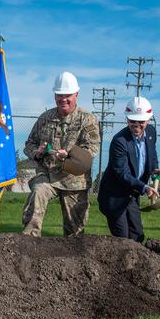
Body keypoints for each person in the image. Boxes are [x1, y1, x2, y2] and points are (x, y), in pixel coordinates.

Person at [22, 71, 100, 237]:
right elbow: (29, 143)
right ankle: (28, 241)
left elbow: (92, 148)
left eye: (67, 95)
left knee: (75, 232)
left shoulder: (87, 120)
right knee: (38, 192)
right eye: (59, 95)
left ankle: (73, 256)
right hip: (47, 175)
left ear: (76, 95)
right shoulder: (45, 118)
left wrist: (70, 155)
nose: (63, 99)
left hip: (74, 180)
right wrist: (37, 153)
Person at [97, 97, 160, 242]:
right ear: (127, 120)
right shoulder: (119, 141)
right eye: (132, 121)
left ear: (148, 120)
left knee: (137, 235)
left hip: (132, 195)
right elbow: (121, 173)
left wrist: (154, 168)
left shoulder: (151, 133)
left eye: (141, 121)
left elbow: (151, 153)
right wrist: (144, 187)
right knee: (123, 239)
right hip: (114, 196)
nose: (137, 125)